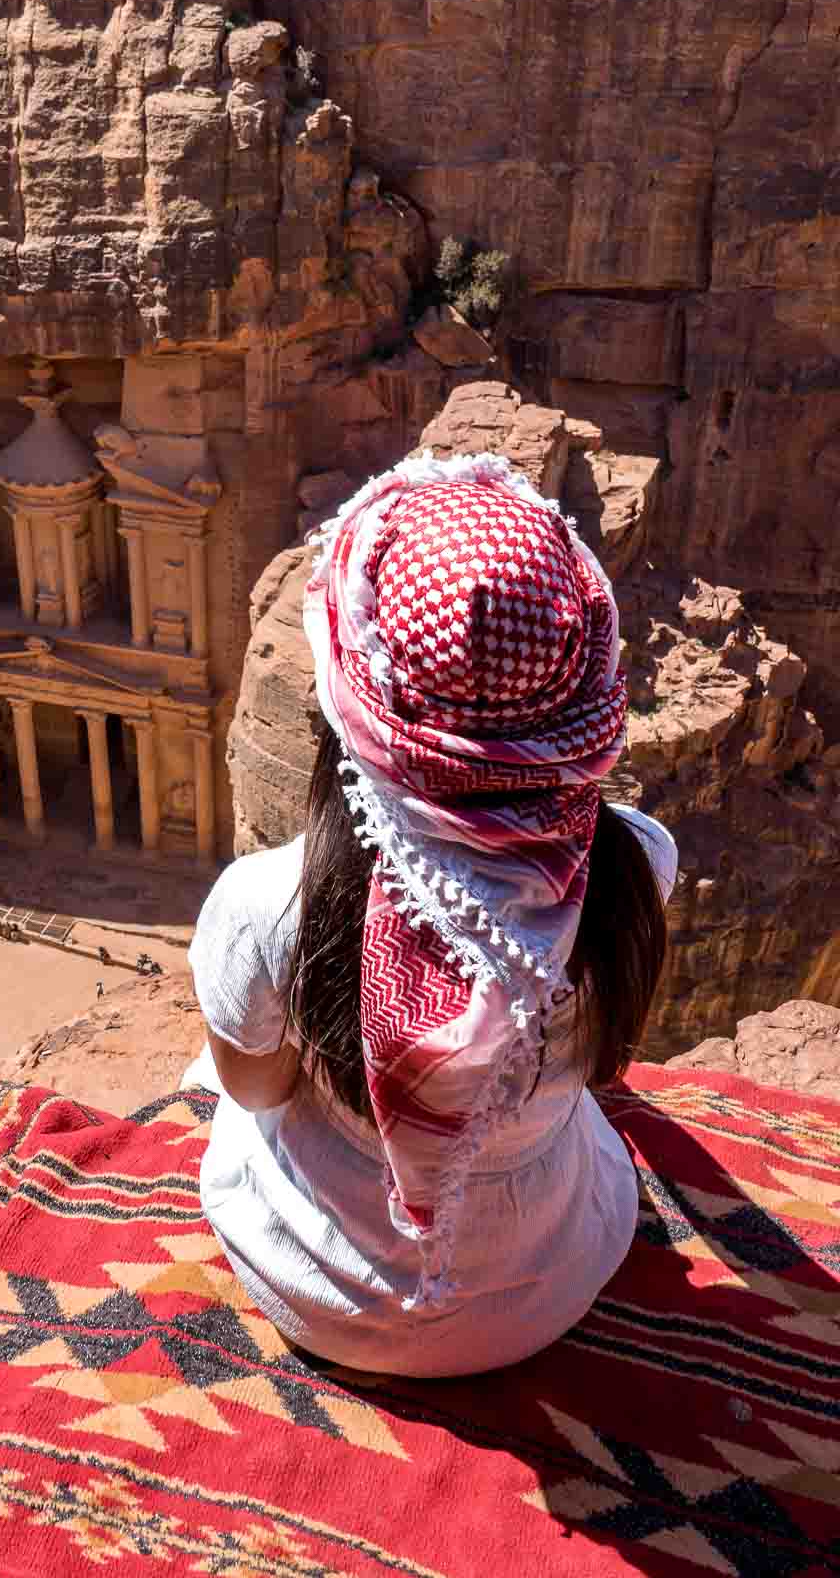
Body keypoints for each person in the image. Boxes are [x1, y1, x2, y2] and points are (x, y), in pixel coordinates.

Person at [188, 452, 676, 1379]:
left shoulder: (267, 906)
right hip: (550, 1278)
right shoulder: (638, 865)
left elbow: (254, 1092)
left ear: (350, 702)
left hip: (318, 1285)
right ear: (584, 698)